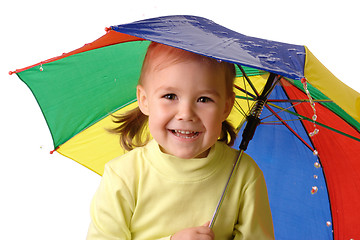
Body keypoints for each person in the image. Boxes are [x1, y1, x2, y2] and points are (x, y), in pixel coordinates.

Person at [87, 42, 274, 239]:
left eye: (204, 99)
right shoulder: (123, 176)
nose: (186, 114)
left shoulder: (243, 174)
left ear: (226, 107)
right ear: (144, 100)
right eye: (170, 96)